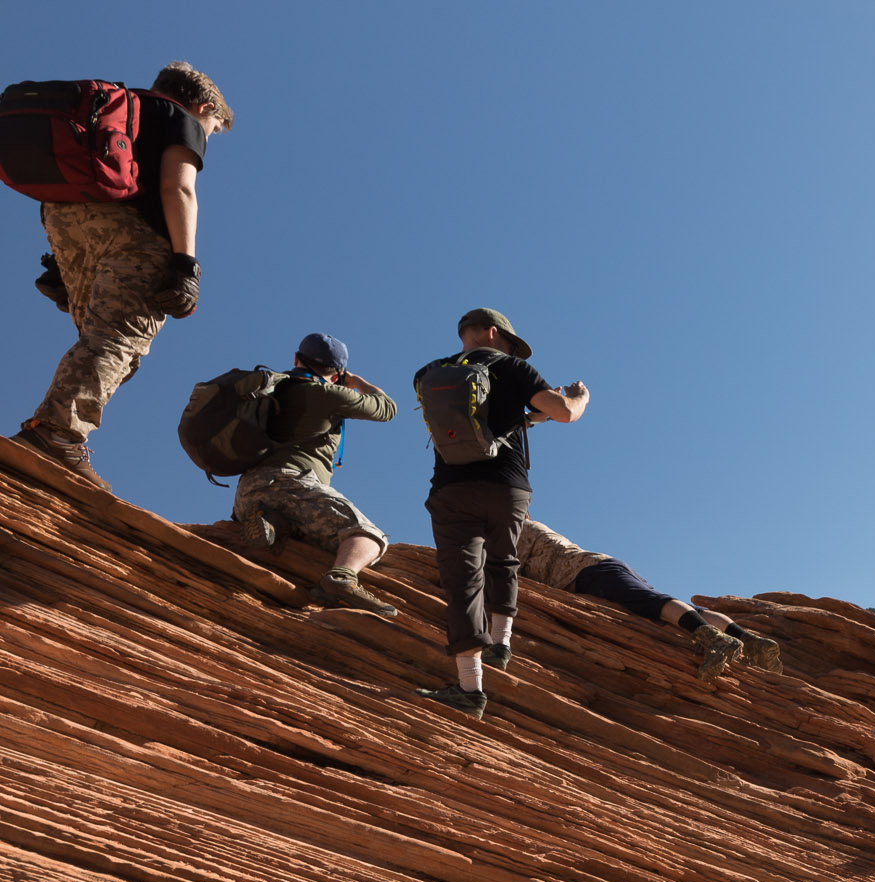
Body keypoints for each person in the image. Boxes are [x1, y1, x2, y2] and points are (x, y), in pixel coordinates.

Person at [15, 63, 232, 491]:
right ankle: (55, 433)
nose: (205, 136)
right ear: (204, 106)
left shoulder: (114, 108)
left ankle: (53, 427)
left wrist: (66, 261)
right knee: (119, 338)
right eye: (211, 129)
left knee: (98, 338)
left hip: (64, 221)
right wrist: (186, 263)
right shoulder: (180, 119)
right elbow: (178, 188)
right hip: (133, 231)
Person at [415, 308, 588, 720]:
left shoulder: (428, 373)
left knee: (462, 581)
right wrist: (580, 397)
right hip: (507, 487)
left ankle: (470, 687)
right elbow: (565, 412)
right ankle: (501, 644)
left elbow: (472, 419)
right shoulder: (512, 367)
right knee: (504, 558)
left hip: (452, 488)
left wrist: (530, 418)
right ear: (495, 334)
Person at [234, 333, 399, 616]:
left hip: (247, 492)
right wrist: (356, 382)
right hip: (292, 482)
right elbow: (387, 408)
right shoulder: (326, 394)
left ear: (296, 359)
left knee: (298, 522)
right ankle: (342, 579)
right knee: (368, 536)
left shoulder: (270, 388)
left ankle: (272, 524)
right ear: (337, 373)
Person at [514, 520, 779, 678]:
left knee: (654, 604)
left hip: (587, 572)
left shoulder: (517, 530)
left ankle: (715, 640)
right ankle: (749, 641)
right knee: (670, 602)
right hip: (601, 566)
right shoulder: (528, 526)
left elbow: (507, 570)